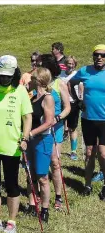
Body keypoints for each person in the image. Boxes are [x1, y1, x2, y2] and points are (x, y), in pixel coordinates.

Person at [0, 55, 32, 233]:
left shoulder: (19, 91)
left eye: (8, 76)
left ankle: (11, 221)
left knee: (12, 184)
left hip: (12, 146)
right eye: (2, 75)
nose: (5, 78)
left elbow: (27, 117)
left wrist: (25, 138)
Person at [68, 44, 105, 199]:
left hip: (104, 120)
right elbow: (70, 83)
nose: (99, 58)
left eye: (102, 55)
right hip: (88, 119)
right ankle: (87, 184)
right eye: (96, 55)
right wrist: (78, 101)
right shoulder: (85, 71)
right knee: (89, 153)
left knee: (103, 154)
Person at [40, 54, 70, 210]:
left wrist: (57, 118)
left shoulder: (59, 84)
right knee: (40, 162)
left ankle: (58, 196)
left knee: (54, 162)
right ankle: (41, 194)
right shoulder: (38, 83)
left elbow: (67, 108)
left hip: (55, 128)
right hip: (40, 128)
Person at [25, 67, 55, 222]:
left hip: (42, 140)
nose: (29, 80)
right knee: (29, 174)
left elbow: (49, 122)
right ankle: (31, 204)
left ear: (38, 80)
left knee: (42, 176)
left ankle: (44, 208)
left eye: (32, 78)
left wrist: (32, 133)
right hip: (29, 141)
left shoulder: (47, 98)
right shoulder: (33, 97)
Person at [60, 56, 83, 160]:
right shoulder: (61, 74)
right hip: (61, 104)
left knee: (72, 128)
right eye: (69, 63)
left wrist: (80, 100)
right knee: (59, 126)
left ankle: (73, 151)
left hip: (73, 104)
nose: (70, 65)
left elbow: (81, 89)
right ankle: (58, 149)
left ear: (75, 65)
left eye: (72, 64)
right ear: (65, 64)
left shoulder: (77, 75)